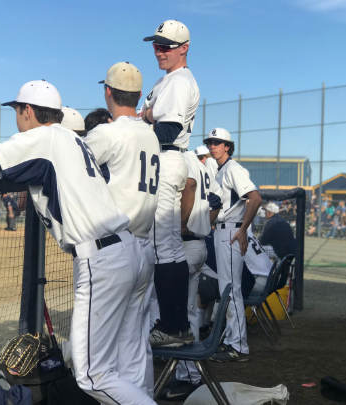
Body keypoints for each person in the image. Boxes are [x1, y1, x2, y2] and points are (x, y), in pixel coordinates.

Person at [0, 80, 155, 405]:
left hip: (101, 259)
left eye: (17, 111)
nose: (17, 118)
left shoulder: (43, 136)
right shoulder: (71, 137)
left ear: (27, 111)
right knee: (131, 361)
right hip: (130, 250)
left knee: (93, 375)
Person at [85, 62, 160, 398]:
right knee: (134, 345)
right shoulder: (151, 135)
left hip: (117, 249)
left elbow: (70, 167)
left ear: (108, 92)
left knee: (98, 363)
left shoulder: (108, 132)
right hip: (145, 246)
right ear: (140, 94)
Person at [141, 20, 200, 346]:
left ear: (184, 48)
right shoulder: (169, 80)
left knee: (165, 248)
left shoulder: (179, 81)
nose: (159, 50)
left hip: (167, 157)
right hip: (167, 160)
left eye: (167, 45)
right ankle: (176, 325)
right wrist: (147, 117)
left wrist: (138, 130)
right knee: (169, 247)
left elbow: (169, 130)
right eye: (157, 44)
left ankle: (174, 326)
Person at [160, 149, 222, 400]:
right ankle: (188, 375)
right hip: (198, 244)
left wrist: (184, 223)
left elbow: (189, 186)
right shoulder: (201, 164)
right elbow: (216, 201)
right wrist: (203, 225)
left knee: (180, 312)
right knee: (189, 311)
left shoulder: (182, 160)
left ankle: (189, 376)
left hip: (186, 244)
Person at [204, 127, 262, 362]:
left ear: (228, 146)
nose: (212, 146)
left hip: (230, 231)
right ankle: (231, 341)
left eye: (218, 142)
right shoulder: (221, 170)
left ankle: (238, 347)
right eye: (210, 142)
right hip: (222, 231)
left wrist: (243, 229)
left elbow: (255, 198)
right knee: (226, 290)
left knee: (231, 289)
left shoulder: (233, 168)